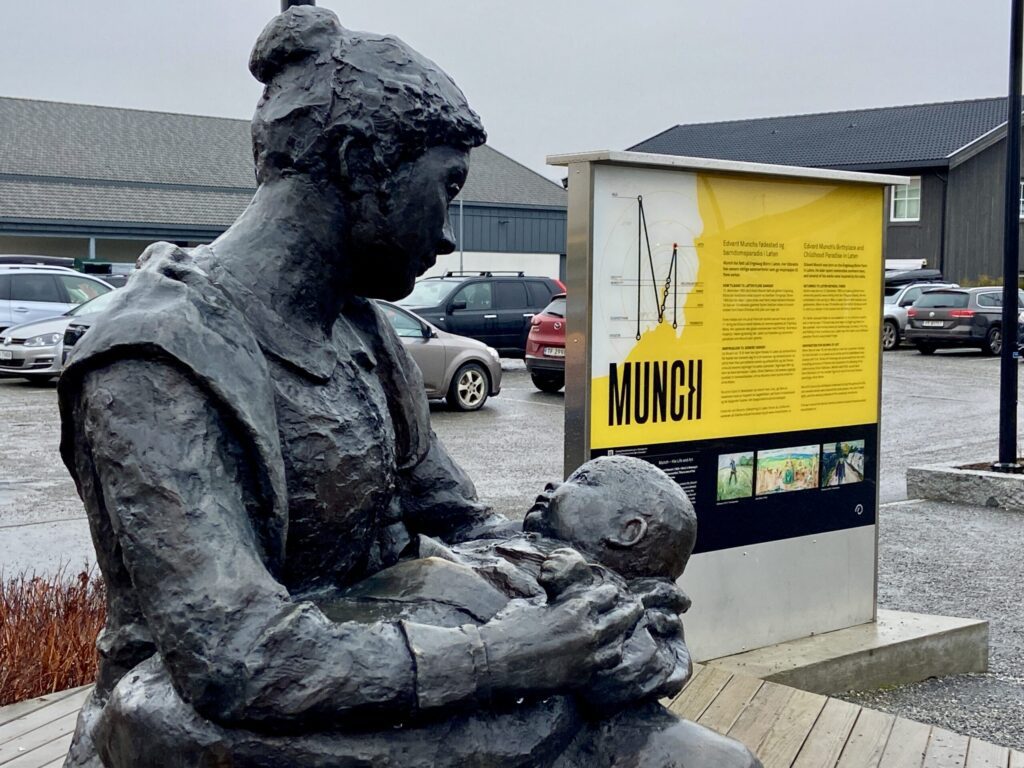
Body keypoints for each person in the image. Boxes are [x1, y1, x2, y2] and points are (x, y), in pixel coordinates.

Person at [58, 7, 759, 767]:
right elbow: (236, 657)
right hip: (219, 719)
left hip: (391, 645)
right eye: (446, 187)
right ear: (360, 162)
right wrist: (511, 654)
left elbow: (462, 522)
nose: (449, 233)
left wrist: (605, 597)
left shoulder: (360, 330)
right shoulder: (152, 358)